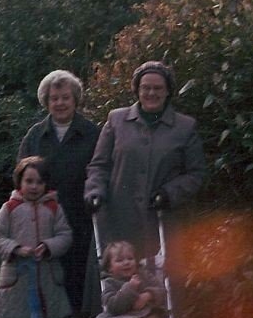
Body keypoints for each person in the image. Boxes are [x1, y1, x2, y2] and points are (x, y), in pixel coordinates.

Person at [84, 61, 206, 260]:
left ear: (168, 91)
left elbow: (196, 174)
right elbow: (99, 165)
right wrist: (94, 191)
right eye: (145, 88)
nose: (151, 93)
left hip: (160, 224)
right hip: (117, 223)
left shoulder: (185, 127)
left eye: (158, 88)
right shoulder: (116, 120)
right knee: (117, 287)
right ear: (137, 90)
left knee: (161, 286)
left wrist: (169, 193)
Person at [18, 70, 101, 318]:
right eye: (54, 98)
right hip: (46, 218)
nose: (60, 103)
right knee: (51, 276)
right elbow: (22, 175)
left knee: (78, 276)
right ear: (46, 101)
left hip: (81, 216)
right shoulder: (35, 136)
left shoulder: (92, 133)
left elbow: (102, 170)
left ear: (75, 99)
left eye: (66, 97)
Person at [0, 156, 73, 318]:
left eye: (39, 182)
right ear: (19, 181)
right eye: (29, 181)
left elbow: (65, 235)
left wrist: (49, 246)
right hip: (17, 281)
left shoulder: (54, 208)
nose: (34, 186)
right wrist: (15, 248)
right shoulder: (9, 208)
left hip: (46, 279)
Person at [89, 240, 167, 318]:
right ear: (109, 268)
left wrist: (148, 294)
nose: (126, 262)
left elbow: (161, 289)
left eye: (130, 258)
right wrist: (129, 288)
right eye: (119, 260)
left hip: (148, 313)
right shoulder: (110, 283)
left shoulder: (144, 275)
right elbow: (113, 307)